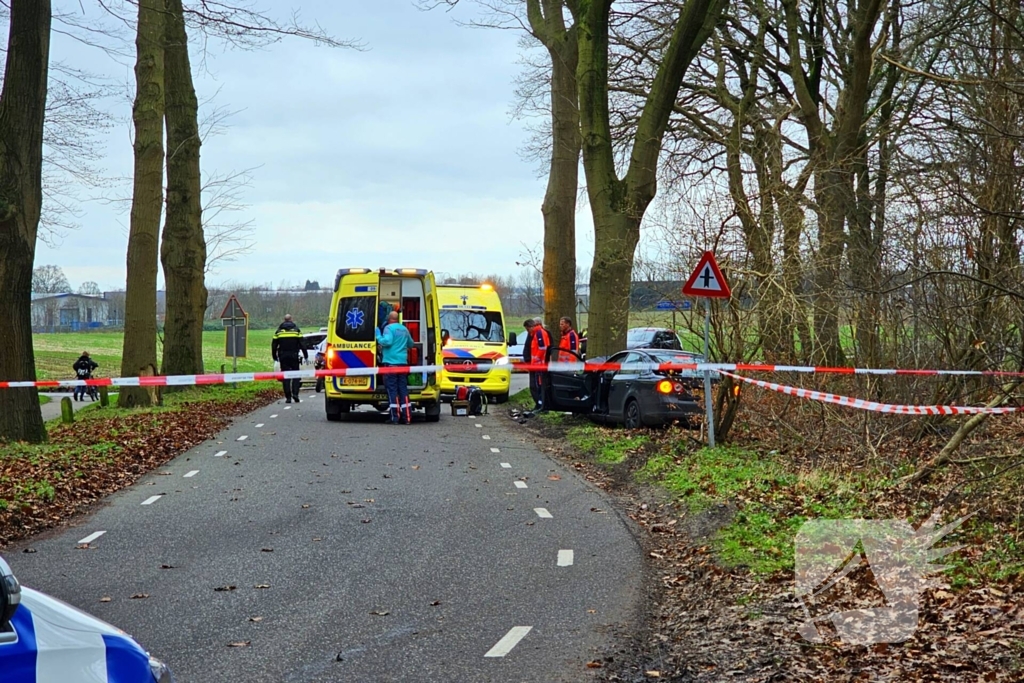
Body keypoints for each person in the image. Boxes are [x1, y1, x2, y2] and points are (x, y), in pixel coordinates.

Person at [376, 311, 414, 424]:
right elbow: (411, 344)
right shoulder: (404, 329)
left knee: (392, 390)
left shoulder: (388, 328)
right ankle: (407, 417)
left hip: (391, 364)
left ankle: (395, 417)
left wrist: (378, 336)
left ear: (389, 318)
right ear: (398, 319)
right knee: (403, 389)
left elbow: (387, 341)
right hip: (402, 364)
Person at [272, 315, 308, 403]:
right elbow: (302, 344)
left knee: (286, 376)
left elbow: (274, 345)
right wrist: (305, 355)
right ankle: (295, 394)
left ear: (284, 320)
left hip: (283, 356)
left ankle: (288, 397)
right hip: (294, 355)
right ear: (291, 320)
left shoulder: (279, 331)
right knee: (296, 375)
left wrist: (274, 356)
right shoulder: (296, 330)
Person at [529, 317, 551, 411]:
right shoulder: (538, 333)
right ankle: (541, 405)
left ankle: (542, 406)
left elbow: (542, 348)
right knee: (539, 386)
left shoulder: (539, 333)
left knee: (540, 386)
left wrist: (536, 360)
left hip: (539, 365)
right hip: (539, 365)